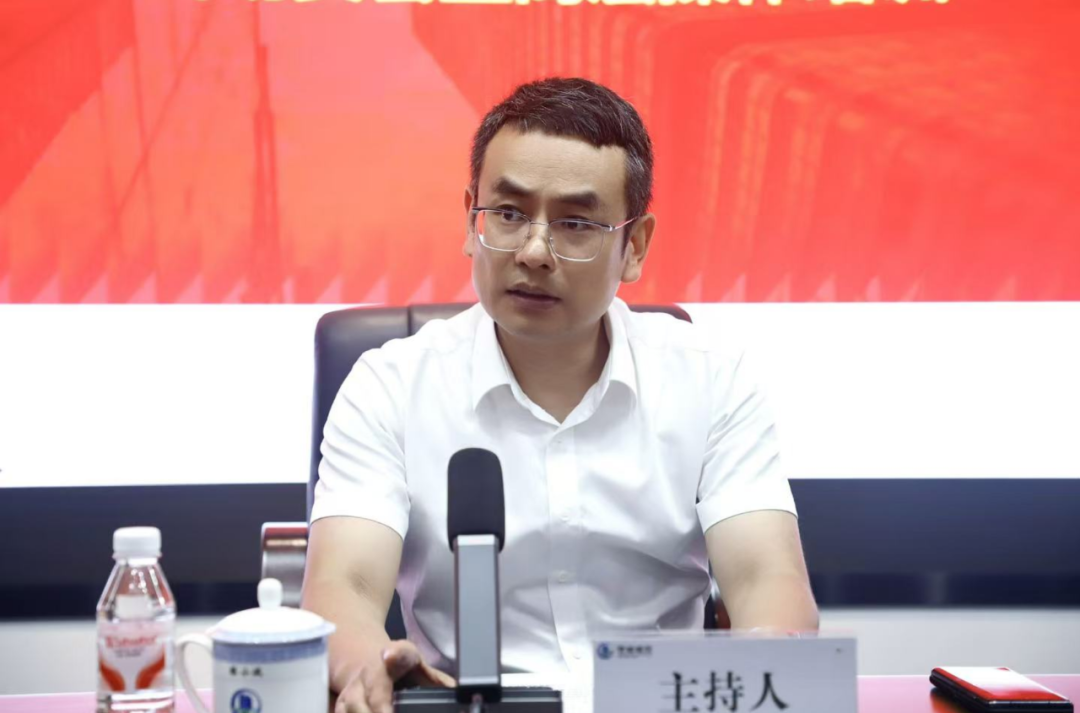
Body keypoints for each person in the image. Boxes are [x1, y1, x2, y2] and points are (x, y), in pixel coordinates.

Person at [301, 77, 818, 713]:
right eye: (508, 214)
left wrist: (767, 669)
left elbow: (768, 578)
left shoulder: (712, 381)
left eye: (575, 223)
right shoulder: (389, 385)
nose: (534, 251)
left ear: (634, 246)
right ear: (470, 219)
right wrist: (372, 672)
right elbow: (344, 587)